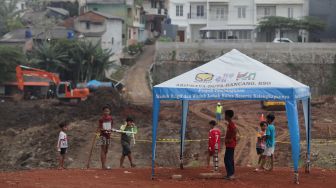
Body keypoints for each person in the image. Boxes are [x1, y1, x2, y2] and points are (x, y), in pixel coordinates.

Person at [97, 105, 113, 169]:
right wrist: (104, 129)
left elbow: (111, 126)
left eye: (108, 111)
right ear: (103, 112)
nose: (107, 112)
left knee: (106, 150)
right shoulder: (101, 119)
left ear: (110, 111)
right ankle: (103, 165)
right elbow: (100, 128)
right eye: (105, 111)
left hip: (108, 135)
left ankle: (104, 164)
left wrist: (111, 130)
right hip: (103, 135)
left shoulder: (111, 118)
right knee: (103, 149)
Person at [224, 110, 237, 180]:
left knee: (227, 159)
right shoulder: (229, 124)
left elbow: (235, 131)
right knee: (229, 159)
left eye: (225, 115)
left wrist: (231, 139)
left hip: (231, 144)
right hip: (229, 144)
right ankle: (230, 173)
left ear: (228, 116)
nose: (224, 116)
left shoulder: (231, 124)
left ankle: (231, 174)